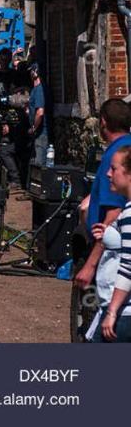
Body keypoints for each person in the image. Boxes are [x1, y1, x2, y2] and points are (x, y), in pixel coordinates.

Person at [74, 98, 131, 297]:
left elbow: (113, 212)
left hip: (111, 252)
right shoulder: (125, 147)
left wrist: (91, 264)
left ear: (103, 122)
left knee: (103, 314)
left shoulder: (116, 155)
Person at [86, 144, 131, 342]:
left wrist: (112, 311)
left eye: (114, 168)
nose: (107, 173)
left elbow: (129, 265)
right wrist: (110, 233)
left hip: (123, 313)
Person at [27, 64, 51, 167]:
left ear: (35, 72)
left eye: (31, 71)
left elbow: (40, 112)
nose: (30, 74)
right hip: (38, 133)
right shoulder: (35, 89)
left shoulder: (40, 89)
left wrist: (34, 128)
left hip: (41, 133)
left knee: (40, 165)